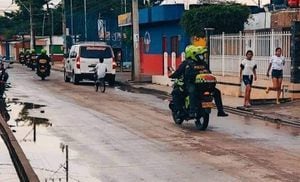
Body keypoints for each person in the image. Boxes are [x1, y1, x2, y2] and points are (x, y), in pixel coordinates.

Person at [169, 45, 228, 118]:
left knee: (192, 92)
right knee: (216, 92)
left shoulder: (187, 63)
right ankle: (220, 111)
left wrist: (171, 75)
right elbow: (209, 72)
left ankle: (192, 112)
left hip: (192, 84)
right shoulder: (203, 63)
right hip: (204, 86)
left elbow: (178, 72)